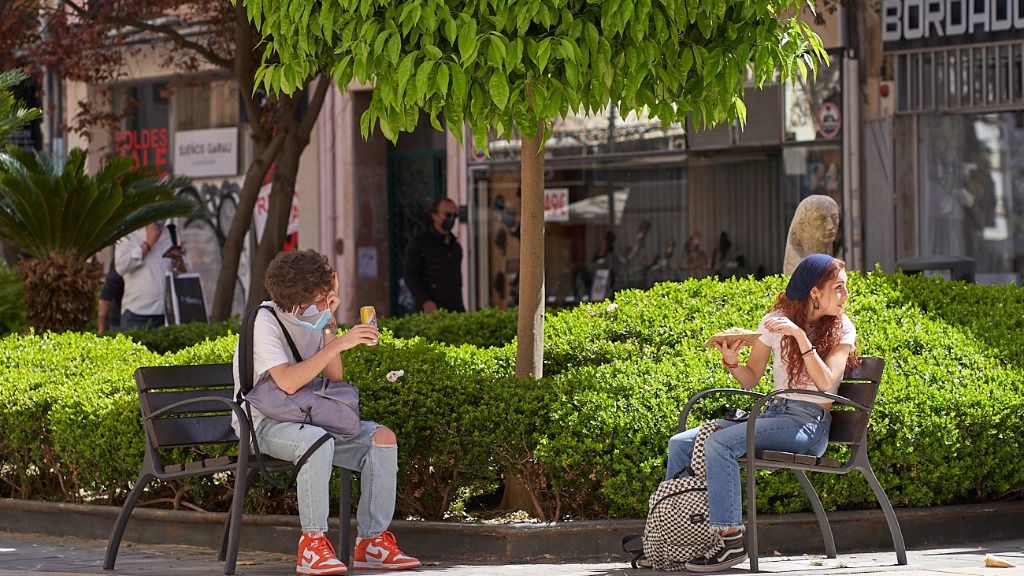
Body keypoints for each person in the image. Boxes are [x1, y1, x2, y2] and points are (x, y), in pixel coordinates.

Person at [232, 249, 420, 575]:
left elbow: (334, 376)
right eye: (324, 291)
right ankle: (312, 544)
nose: (331, 291)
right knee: (316, 442)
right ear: (304, 295)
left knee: (382, 439)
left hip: (307, 418)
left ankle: (371, 543)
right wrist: (339, 344)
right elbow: (289, 382)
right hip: (263, 424)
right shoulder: (265, 322)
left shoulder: (314, 315)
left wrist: (329, 324)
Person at [665, 253, 854, 572]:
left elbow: (826, 385)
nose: (845, 296)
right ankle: (679, 537)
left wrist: (799, 335)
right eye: (838, 287)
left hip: (808, 425)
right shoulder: (776, 320)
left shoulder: (842, 329)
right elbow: (752, 377)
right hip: (774, 415)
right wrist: (731, 361)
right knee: (680, 443)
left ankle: (730, 542)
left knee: (720, 444)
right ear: (814, 291)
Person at [114, 221, 184, 330]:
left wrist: (179, 260)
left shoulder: (171, 234)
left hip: (167, 314)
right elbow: (121, 266)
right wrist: (148, 244)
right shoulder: (128, 235)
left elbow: (183, 273)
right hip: (137, 314)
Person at [403, 197, 465, 313]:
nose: (451, 219)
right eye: (447, 215)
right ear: (435, 216)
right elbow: (411, 275)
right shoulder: (420, 243)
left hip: (453, 310)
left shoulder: (455, 247)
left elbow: (456, 282)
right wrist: (425, 301)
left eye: (454, 216)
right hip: (431, 311)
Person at [97, 255, 124, 336]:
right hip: (120, 319)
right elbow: (106, 297)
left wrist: (101, 331)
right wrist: (101, 330)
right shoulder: (121, 262)